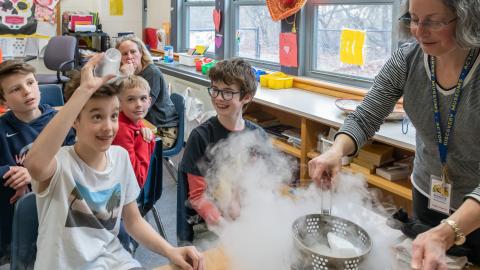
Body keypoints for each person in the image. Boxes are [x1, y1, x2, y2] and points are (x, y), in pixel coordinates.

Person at [308, 0, 480, 269]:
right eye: (413, 19)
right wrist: (336, 150)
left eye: (433, 21)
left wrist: (448, 232)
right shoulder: (409, 58)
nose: (419, 31)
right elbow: (367, 114)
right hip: (429, 193)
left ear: (466, 18)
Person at [24, 54, 204, 270]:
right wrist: (83, 91)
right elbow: (34, 163)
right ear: (75, 120)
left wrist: (170, 250)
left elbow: (134, 221)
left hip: (114, 261)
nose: (109, 128)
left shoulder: (119, 157)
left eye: (114, 116)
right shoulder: (60, 164)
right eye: (97, 117)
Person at [0, 60, 75, 263]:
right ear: (4, 101)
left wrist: (32, 174)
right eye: (16, 89)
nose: (27, 91)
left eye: (31, 83)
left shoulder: (60, 121)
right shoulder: (2, 128)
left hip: (59, 208)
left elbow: (74, 160)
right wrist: (10, 172)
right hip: (17, 215)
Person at [179, 58, 264, 228]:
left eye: (227, 92)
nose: (218, 98)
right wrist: (226, 227)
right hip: (210, 224)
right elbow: (197, 197)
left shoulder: (257, 135)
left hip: (247, 215)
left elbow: (263, 183)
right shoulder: (200, 137)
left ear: (246, 97)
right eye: (215, 90)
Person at [116, 35, 179, 150]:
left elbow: (138, 109)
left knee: (123, 145)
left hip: (162, 130)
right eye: (124, 54)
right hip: (144, 124)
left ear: (141, 53)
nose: (129, 57)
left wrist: (127, 77)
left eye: (133, 52)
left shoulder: (152, 73)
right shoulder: (126, 72)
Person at [112, 75, 155, 188]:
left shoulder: (134, 119)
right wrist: (144, 140)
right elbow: (138, 179)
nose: (139, 105)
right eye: (131, 99)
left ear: (149, 101)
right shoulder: (122, 130)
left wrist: (144, 132)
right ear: (120, 104)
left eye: (143, 98)